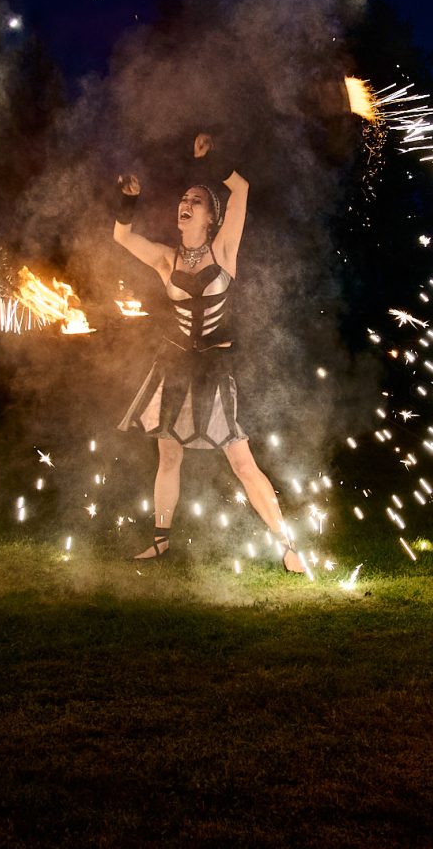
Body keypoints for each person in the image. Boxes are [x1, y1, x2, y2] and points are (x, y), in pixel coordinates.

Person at [113, 134, 306, 574]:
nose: (186, 203)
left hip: (215, 368)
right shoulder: (166, 259)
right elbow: (121, 236)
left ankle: (287, 545)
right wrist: (129, 199)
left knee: (241, 460)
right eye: (183, 198)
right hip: (174, 366)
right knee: (169, 455)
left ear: (210, 216)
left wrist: (213, 159)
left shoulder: (223, 250)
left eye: (196, 200)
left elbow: (241, 189)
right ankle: (160, 541)